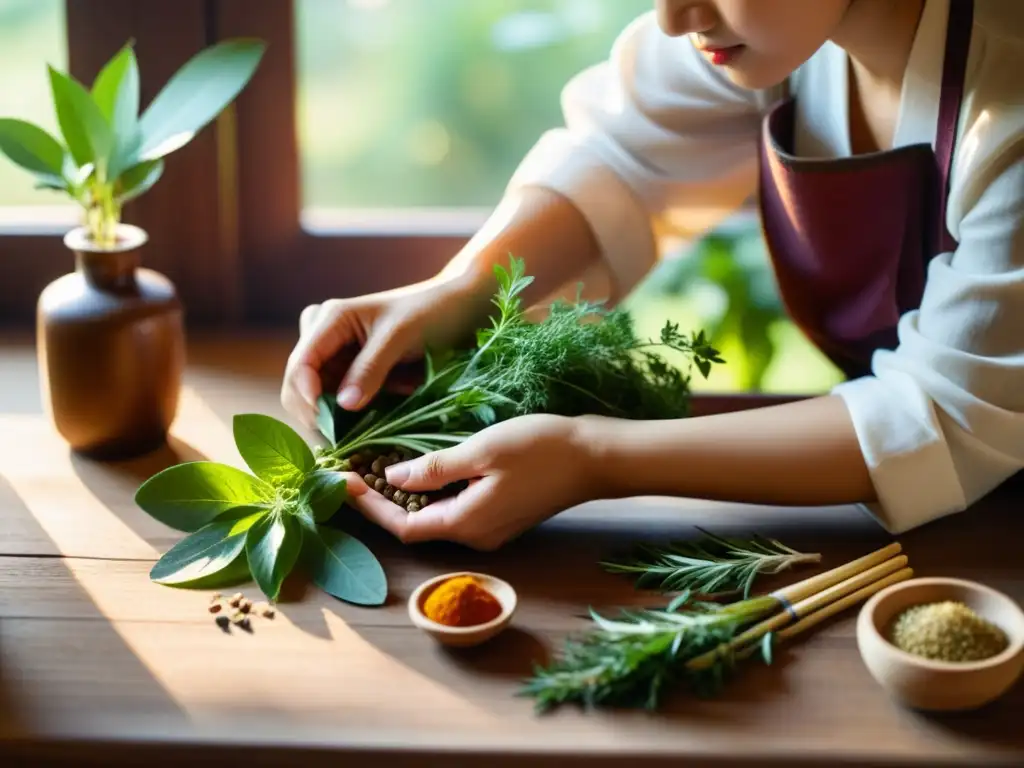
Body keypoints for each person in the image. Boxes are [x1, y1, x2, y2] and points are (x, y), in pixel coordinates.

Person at [281, 0, 1023, 551]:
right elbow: (625, 154)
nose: (674, 18)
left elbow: (940, 413)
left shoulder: (1010, 108)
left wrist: (592, 458)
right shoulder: (801, 30)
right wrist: (459, 291)